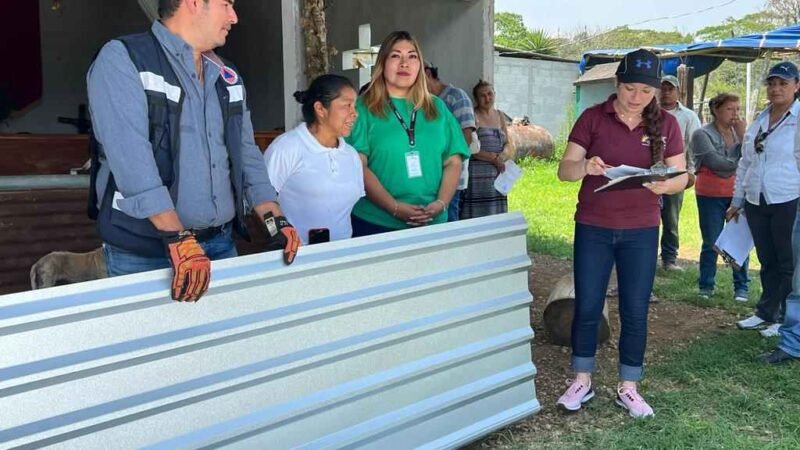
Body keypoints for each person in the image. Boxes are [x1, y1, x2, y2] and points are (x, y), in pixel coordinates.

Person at [87, 0, 299, 303]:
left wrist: (274, 218)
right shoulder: (124, 59)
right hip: (146, 253)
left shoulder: (227, 74)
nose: (234, 17)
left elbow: (246, 153)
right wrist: (177, 238)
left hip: (220, 245)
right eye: (227, 4)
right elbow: (131, 160)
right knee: (154, 348)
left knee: (223, 347)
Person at [556, 49, 688, 418]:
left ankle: (629, 386)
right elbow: (564, 171)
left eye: (645, 92)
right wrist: (585, 165)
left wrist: (668, 186)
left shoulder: (667, 124)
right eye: (629, 88)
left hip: (641, 229)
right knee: (587, 304)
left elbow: (681, 175)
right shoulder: (592, 118)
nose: (636, 98)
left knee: (635, 308)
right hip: (594, 226)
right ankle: (582, 380)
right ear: (616, 85)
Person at [346, 30, 469, 236]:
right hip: (377, 224)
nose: (405, 63)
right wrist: (393, 207)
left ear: (420, 65)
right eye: (395, 56)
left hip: (433, 223)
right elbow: (358, 166)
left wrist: (441, 203)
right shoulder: (363, 108)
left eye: (412, 56)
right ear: (382, 63)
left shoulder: (437, 108)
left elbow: (453, 162)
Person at [728, 61, 800, 338]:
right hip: (757, 198)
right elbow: (746, 162)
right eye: (772, 83)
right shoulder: (759, 119)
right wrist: (738, 199)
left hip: (787, 197)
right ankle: (765, 312)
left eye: (783, 83)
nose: (776, 89)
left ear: (796, 86)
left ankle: (785, 317)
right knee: (766, 259)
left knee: (788, 262)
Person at [264, 75, 364, 245]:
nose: (355, 113)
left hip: (342, 255)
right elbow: (261, 206)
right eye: (347, 106)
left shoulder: (351, 155)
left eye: (355, 106)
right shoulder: (286, 148)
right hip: (295, 257)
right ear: (320, 109)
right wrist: (281, 239)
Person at [691, 93, 749, 301]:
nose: (735, 114)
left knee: (737, 241)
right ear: (716, 110)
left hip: (736, 194)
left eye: (737, 109)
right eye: (730, 109)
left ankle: (741, 287)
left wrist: (744, 139)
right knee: (711, 241)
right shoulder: (701, 134)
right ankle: (706, 285)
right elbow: (718, 165)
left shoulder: (740, 133)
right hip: (710, 194)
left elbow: (752, 157)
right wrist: (739, 161)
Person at [424, 61, 477, 222]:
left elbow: (466, 139)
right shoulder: (423, 101)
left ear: (427, 74)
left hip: (451, 181)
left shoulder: (456, 97)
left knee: (448, 226)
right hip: (429, 181)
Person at [658, 75, 701, 271]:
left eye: (670, 89)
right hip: (647, 172)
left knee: (671, 218)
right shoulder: (648, 112)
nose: (666, 92)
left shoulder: (688, 116)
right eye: (663, 88)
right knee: (644, 216)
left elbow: (694, 146)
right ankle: (644, 255)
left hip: (675, 174)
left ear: (678, 92)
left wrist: (691, 172)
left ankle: (669, 259)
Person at [461, 80, 513, 219]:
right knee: (478, 215)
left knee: (496, 216)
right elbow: (470, 147)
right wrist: (494, 159)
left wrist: (502, 157)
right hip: (478, 176)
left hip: (498, 175)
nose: (487, 98)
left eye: (490, 94)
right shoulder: (473, 116)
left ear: (494, 94)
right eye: (482, 95)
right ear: (476, 99)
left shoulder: (500, 115)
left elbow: (508, 143)